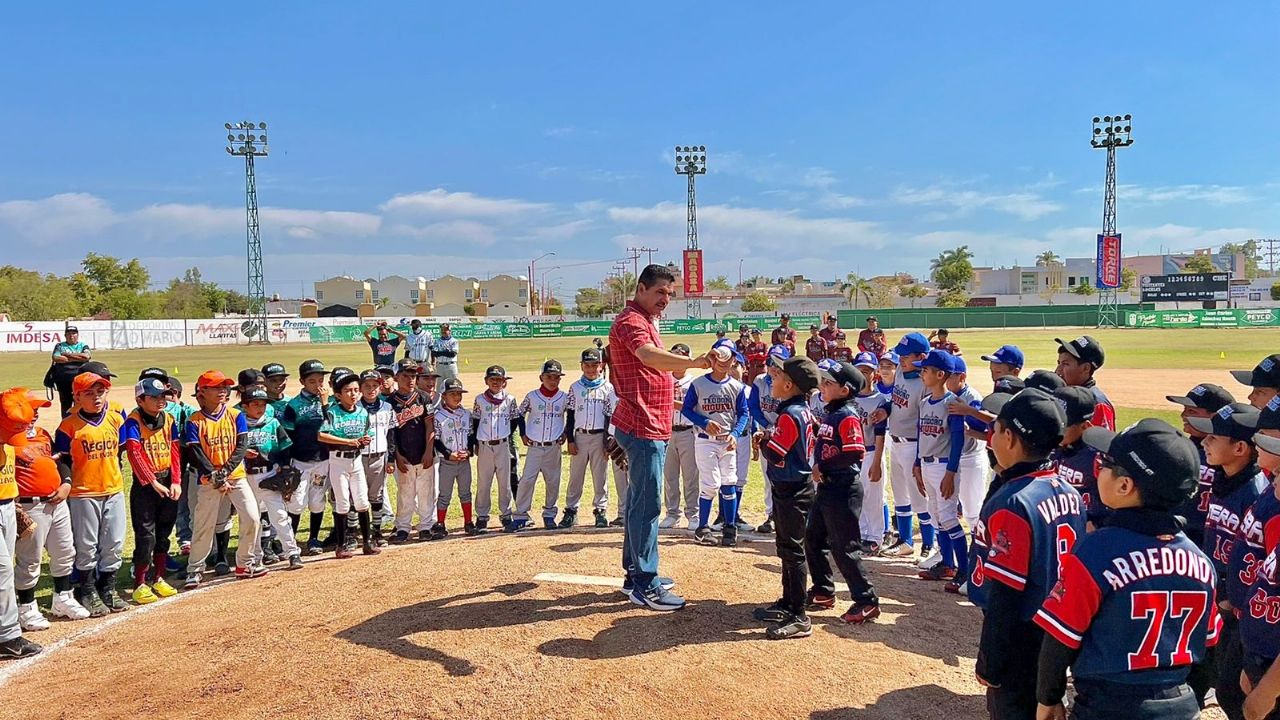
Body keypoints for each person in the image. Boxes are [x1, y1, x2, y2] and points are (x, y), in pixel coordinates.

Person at [1034, 419, 1220, 720]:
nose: (1098, 468)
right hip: (1179, 702)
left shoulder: (1097, 551)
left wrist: (1048, 699)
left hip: (1109, 705)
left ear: (1124, 485)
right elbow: (1208, 652)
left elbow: (1060, 640)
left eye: (1106, 463)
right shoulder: (1200, 561)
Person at [969, 388, 1085, 719]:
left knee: (1012, 709)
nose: (990, 437)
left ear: (1010, 437)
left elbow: (1006, 595)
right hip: (1055, 625)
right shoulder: (1066, 489)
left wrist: (990, 660)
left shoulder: (1015, 502)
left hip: (1020, 632)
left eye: (996, 429)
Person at [607, 264, 711, 612]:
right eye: (660, 293)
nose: (666, 299)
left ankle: (634, 573)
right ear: (641, 288)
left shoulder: (647, 319)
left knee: (640, 502)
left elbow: (650, 372)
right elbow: (647, 356)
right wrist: (694, 362)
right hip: (642, 425)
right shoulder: (632, 321)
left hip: (647, 422)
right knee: (647, 507)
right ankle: (645, 584)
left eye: (670, 293)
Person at [1187, 401, 1267, 719]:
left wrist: (1231, 599)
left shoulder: (1254, 492)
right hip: (1219, 595)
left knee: (1234, 690)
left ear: (1240, 448)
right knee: (1223, 679)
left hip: (1239, 607)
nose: (1204, 441)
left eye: (1214, 438)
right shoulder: (1224, 481)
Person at [805, 360, 880, 625]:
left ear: (845, 390)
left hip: (842, 488)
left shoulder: (847, 414)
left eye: (829, 383)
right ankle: (824, 590)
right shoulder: (832, 412)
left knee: (845, 547)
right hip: (828, 487)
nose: (822, 386)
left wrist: (822, 465)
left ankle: (866, 600)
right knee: (813, 538)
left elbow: (853, 452)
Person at [752, 355, 821, 639]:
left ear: (790, 384)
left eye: (778, 377)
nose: (773, 380)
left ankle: (799, 615)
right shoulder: (800, 409)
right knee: (786, 546)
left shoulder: (789, 414)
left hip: (792, 487)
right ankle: (789, 601)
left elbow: (777, 453)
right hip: (794, 485)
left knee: (792, 550)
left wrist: (765, 440)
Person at [9, 390, 87, 629]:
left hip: (56, 501)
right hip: (29, 505)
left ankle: (63, 598)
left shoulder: (42, 434)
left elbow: (59, 460)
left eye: (36, 410)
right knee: (30, 559)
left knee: (65, 551)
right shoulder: (7, 438)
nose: (34, 414)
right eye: (30, 410)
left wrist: (66, 483)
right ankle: (26, 608)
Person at [54, 371, 130, 614]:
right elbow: (63, 459)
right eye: (89, 393)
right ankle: (87, 590)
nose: (96, 397)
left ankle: (108, 588)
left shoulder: (116, 419)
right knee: (86, 545)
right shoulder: (68, 426)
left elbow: (119, 452)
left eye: (100, 391)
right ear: (76, 396)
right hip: (83, 493)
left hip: (113, 489)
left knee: (114, 542)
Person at [183, 371, 262, 587]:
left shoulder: (236, 416)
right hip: (209, 481)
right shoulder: (194, 421)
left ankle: (245, 562)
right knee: (204, 525)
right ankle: (195, 568)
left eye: (224, 387)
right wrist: (215, 475)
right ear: (203, 392)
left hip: (235, 476)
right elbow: (196, 453)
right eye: (216, 387)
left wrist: (224, 472)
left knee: (252, 517)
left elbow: (241, 446)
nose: (222, 391)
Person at [122, 378, 183, 605]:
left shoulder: (169, 419)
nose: (160, 401)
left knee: (163, 533)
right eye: (154, 397)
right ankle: (139, 583)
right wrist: (152, 482)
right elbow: (134, 454)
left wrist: (176, 481)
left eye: (162, 396)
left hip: (167, 480)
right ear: (140, 399)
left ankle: (158, 577)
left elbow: (175, 451)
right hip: (146, 486)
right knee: (146, 536)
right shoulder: (133, 422)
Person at [683, 342, 749, 547]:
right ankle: (703, 528)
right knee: (711, 484)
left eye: (727, 358)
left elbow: (744, 413)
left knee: (729, 482)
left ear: (733, 361)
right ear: (711, 359)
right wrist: (703, 422)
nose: (723, 362)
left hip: (727, 441)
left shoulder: (736, 387)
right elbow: (687, 409)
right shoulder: (699, 384)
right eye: (718, 358)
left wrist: (736, 434)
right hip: (705, 441)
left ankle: (730, 527)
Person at [913, 350, 968, 584]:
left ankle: (964, 570)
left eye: (926, 370)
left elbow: (958, 440)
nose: (922, 373)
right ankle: (947, 564)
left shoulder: (952, 403)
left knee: (948, 517)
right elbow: (920, 436)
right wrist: (917, 464)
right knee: (937, 516)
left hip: (944, 466)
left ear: (940, 374)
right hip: (927, 465)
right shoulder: (925, 402)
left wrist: (951, 472)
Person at [880, 332, 935, 562]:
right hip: (896, 440)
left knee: (920, 498)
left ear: (921, 356)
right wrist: (886, 410)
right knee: (900, 495)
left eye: (905, 356)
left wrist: (919, 459)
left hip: (914, 445)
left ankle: (929, 546)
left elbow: (926, 422)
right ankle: (905, 541)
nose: (900, 359)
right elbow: (895, 401)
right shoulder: (902, 372)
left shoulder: (926, 383)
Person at [1165, 383, 1235, 550]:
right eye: (1185, 409)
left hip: (1209, 542)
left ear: (1216, 416)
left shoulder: (1226, 456)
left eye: (1192, 411)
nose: (1183, 415)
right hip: (1176, 536)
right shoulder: (1182, 447)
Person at [240, 386, 303, 571]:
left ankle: (293, 553)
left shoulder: (272, 423)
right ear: (245, 406)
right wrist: (244, 452)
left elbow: (285, 447)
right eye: (255, 404)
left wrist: (284, 467)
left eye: (263, 404)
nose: (260, 408)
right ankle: (256, 557)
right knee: (252, 519)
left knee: (280, 516)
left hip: (269, 475)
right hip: (246, 478)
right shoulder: (239, 424)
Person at [319, 369, 379, 558]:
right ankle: (341, 544)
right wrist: (348, 442)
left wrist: (365, 440)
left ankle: (367, 542)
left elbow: (368, 433)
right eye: (348, 391)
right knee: (343, 502)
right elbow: (321, 435)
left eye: (355, 390)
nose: (353, 394)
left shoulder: (362, 412)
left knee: (362, 501)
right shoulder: (333, 412)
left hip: (356, 461)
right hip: (338, 461)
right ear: (338, 394)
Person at [279, 360, 333, 556]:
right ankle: (291, 543)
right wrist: (286, 464)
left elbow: (332, 427)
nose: (318, 385)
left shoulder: (330, 401)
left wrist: (325, 403)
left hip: (323, 460)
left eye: (321, 380)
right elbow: (287, 437)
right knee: (296, 501)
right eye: (312, 381)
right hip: (301, 461)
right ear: (302, 381)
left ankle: (313, 539)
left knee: (317, 500)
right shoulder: (293, 405)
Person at [563, 348, 619, 529]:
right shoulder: (575, 387)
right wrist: (570, 440)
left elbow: (610, 416)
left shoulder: (608, 388)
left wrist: (606, 442)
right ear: (581, 366)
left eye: (594, 365)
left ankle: (600, 511)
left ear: (601, 366)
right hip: (580, 436)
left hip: (598, 437)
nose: (590, 369)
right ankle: (571, 511)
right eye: (587, 365)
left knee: (600, 476)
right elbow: (570, 416)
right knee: (575, 476)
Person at [512, 360, 569, 532]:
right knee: (527, 480)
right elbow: (519, 414)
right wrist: (522, 433)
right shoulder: (532, 396)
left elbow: (573, 417)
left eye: (556, 377)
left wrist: (566, 432)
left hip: (553, 446)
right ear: (541, 377)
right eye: (549, 377)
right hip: (535, 446)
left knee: (552, 482)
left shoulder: (565, 398)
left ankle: (549, 515)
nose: (552, 380)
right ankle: (521, 515)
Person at [388, 360, 440, 542]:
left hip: (423, 453)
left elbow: (429, 425)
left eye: (413, 376)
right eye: (406, 375)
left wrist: (429, 451)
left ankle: (425, 526)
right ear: (396, 377)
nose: (410, 379)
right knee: (405, 493)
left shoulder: (424, 397)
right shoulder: (390, 402)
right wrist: (397, 455)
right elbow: (391, 432)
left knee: (426, 492)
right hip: (403, 455)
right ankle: (403, 527)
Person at [471, 365, 520, 532]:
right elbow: (475, 422)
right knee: (484, 482)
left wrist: (505, 436)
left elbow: (514, 421)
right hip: (485, 445)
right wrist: (475, 444)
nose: (496, 382)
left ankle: (506, 514)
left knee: (504, 482)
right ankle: (482, 516)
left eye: (499, 380)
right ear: (486, 381)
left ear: (504, 382)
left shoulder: (510, 399)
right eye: (492, 379)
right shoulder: (480, 399)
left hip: (503, 445)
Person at [851, 352, 889, 554]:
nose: (863, 374)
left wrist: (877, 461)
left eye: (867, 371)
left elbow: (881, 434)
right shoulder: (849, 398)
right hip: (853, 454)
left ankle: (875, 536)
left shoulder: (880, 400)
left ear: (875, 374)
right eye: (859, 370)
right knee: (858, 496)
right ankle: (862, 533)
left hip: (872, 451)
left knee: (874, 497)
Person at [1049, 387, 1102, 525]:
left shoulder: (1097, 458)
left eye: (1063, 426)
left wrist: (1097, 524)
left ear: (1085, 426)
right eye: (1053, 421)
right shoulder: (1049, 445)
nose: (1056, 430)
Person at [660, 345, 699, 530]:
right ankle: (672, 513)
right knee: (670, 476)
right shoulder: (663, 380)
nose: (677, 361)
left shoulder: (694, 383)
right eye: (674, 357)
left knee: (691, 476)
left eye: (682, 357)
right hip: (667, 431)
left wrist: (675, 404)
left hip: (688, 431)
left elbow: (695, 408)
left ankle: (693, 513)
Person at [434, 378, 478, 536]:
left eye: (459, 393)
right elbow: (436, 441)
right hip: (447, 462)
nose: (457, 397)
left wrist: (469, 451)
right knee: (445, 494)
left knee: (465, 492)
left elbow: (471, 436)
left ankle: (468, 522)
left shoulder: (467, 414)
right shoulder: (439, 416)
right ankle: (440, 523)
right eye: (452, 394)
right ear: (444, 396)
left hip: (464, 461)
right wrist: (448, 454)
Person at [358, 370, 395, 547]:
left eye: (375, 385)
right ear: (360, 388)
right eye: (367, 386)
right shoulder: (355, 408)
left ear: (380, 387)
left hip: (379, 456)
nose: (371, 389)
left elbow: (391, 434)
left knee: (377, 496)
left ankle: (377, 531)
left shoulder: (387, 408)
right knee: (356, 496)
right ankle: (352, 533)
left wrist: (391, 459)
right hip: (358, 457)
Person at [1055, 335, 1116, 431]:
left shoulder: (1098, 404)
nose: (1058, 369)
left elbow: (1103, 444)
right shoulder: (1061, 393)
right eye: (1059, 363)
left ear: (1086, 368)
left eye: (1065, 364)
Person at [49, 326, 92, 417]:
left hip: (80, 380)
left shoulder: (83, 346)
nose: (71, 336)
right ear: (65, 335)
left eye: (73, 333)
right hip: (63, 380)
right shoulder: (59, 346)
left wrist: (67, 355)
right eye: (69, 334)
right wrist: (78, 358)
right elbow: (56, 358)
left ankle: (79, 421)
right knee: (65, 405)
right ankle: (66, 424)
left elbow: (86, 357)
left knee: (80, 402)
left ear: (77, 335)